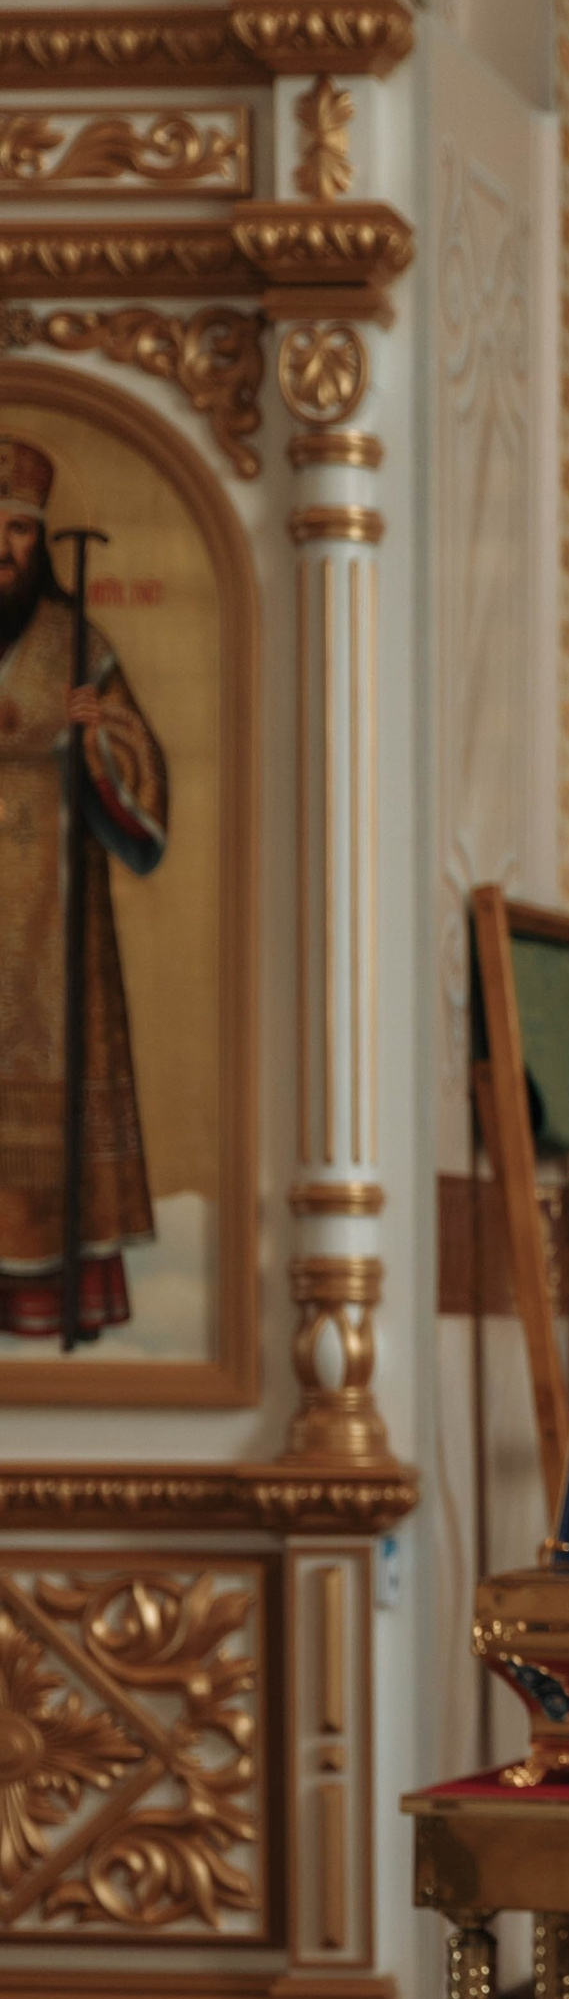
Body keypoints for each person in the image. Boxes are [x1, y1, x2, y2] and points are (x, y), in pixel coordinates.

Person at [0, 436, 167, 1344]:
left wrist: (96, 738)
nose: (1, 549)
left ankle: (47, 1297)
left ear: (38, 540)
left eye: (16, 532)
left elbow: (143, 768)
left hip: (48, 921)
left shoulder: (77, 648)